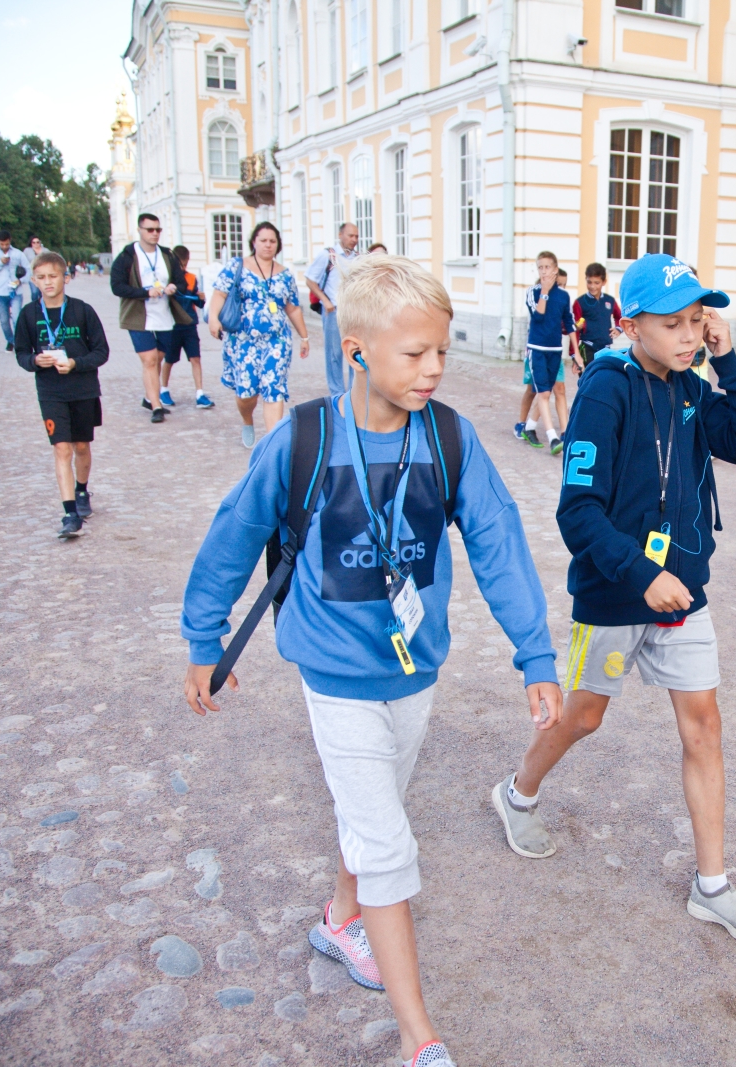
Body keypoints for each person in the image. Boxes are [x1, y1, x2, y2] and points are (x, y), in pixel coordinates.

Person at [182, 256, 560, 1067]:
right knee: (388, 842)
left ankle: (338, 917)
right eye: (415, 354)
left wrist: (536, 654)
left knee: (377, 803)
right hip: (334, 675)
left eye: (442, 353)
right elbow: (232, 535)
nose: (433, 370)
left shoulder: (450, 438)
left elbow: (498, 543)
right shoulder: (302, 440)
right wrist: (203, 638)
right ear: (356, 353)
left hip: (415, 670)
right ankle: (421, 1039)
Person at [491, 253, 736, 944]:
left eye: (696, 321)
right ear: (630, 324)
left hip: (683, 592)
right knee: (585, 716)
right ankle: (517, 792)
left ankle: (713, 886)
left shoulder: (690, 387)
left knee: (703, 727)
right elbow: (578, 512)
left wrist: (727, 360)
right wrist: (640, 574)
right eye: (673, 323)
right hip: (616, 590)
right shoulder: (604, 391)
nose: (689, 336)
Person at [14, 251, 110, 540]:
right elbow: (20, 353)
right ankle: (70, 514)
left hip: (83, 389)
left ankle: (82, 490)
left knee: (81, 446)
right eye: (41, 278)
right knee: (61, 448)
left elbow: (102, 352)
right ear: (34, 280)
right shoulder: (29, 315)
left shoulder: (82, 310)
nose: (48, 283)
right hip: (50, 392)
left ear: (65, 278)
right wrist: (34, 362)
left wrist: (75, 363)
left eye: (53, 276)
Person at [208, 221, 310, 448]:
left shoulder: (285, 275)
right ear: (254, 241)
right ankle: (247, 420)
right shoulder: (237, 266)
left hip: (277, 340)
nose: (268, 245)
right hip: (243, 340)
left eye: (272, 241)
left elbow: (292, 307)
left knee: (273, 389)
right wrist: (213, 318)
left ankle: (272, 444)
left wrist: (304, 337)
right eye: (263, 240)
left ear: (278, 245)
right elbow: (219, 294)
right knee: (247, 393)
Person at [110, 213, 192, 423]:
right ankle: (156, 406)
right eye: (150, 230)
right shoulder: (127, 256)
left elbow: (181, 281)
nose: (155, 234)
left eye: (158, 229)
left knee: (158, 358)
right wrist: (146, 292)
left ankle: (149, 396)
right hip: (138, 316)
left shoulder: (167, 255)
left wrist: (174, 286)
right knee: (149, 359)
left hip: (164, 315)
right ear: (140, 230)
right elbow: (117, 287)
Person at [519, 252, 576, 454]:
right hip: (536, 349)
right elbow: (539, 315)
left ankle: (531, 427)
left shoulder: (562, 296)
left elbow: (569, 324)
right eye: (540, 267)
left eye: (547, 267)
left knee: (552, 390)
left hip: (555, 350)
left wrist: (575, 352)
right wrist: (544, 291)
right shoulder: (532, 292)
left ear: (555, 269)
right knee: (540, 392)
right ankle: (553, 437)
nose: (544, 271)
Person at [305, 222, 360, 397]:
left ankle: (353, 390)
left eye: (357, 236)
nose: (354, 240)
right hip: (334, 311)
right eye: (351, 236)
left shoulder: (357, 257)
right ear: (340, 235)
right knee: (334, 353)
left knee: (355, 351)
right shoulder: (328, 256)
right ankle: (337, 392)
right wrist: (325, 301)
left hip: (353, 311)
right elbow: (310, 280)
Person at [160, 245, 215, 409]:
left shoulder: (191, 278)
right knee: (169, 359)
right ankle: (164, 390)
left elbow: (196, 301)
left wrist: (201, 298)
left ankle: (199, 393)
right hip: (172, 325)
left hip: (190, 325)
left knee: (195, 359)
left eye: (184, 265)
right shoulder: (167, 279)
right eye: (179, 265)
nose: (182, 268)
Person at [0, 231, 30, 349]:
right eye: (2, 244)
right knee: (4, 320)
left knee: (16, 318)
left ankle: (19, 343)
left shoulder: (18, 253)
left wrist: (20, 281)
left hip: (16, 291)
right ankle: (10, 340)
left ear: (10, 241)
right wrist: (0, 262)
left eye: (7, 244)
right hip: (1, 291)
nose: (4, 246)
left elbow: (29, 270)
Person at [573, 262, 623, 364]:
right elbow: (573, 330)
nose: (592, 286)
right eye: (589, 282)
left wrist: (619, 329)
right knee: (587, 378)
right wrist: (575, 354)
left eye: (596, 283)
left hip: (606, 349)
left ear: (604, 282)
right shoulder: (579, 302)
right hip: (587, 348)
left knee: (604, 378)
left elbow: (620, 317)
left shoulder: (610, 300)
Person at [22, 237, 49, 302]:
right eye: (33, 242)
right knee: (34, 292)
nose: (36, 244)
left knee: (42, 291)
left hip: (43, 274)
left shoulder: (45, 250)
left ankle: (41, 304)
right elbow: (23, 260)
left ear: (40, 242)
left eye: (37, 242)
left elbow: (50, 260)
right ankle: (34, 304)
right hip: (32, 274)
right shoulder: (27, 250)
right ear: (31, 243)